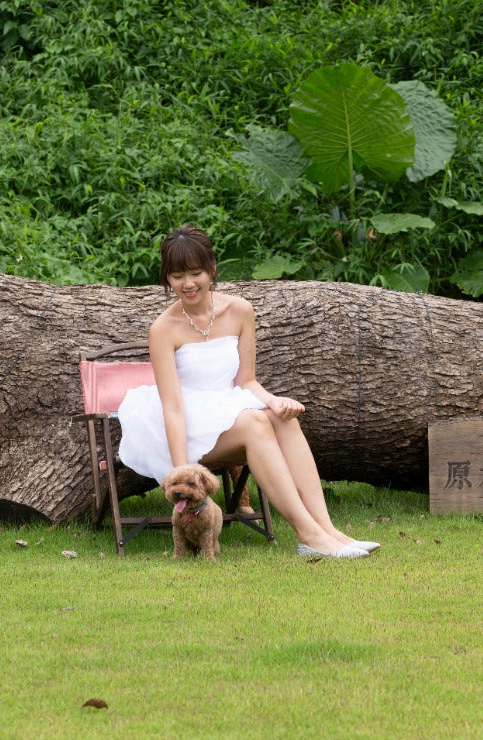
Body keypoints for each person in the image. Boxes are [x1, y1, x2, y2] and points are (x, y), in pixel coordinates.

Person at [116, 225, 379, 559]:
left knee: (282, 420)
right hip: (185, 424)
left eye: (196, 273)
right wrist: (183, 470)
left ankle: (329, 530)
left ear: (211, 270)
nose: (188, 284)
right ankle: (308, 535)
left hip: (225, 407)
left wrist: (275, 402)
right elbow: (173, 407)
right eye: (177, 275)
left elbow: (247, 381)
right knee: (256, 424)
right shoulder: (163, 329)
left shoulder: (240, 311)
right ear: (167, 278)